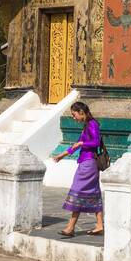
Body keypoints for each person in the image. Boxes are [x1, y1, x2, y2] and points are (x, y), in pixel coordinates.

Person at [52, 101, 104, 237]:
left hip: (89, 163)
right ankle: (99, 225)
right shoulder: (86, 126)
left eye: (74, 115)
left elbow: (96, 142)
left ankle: (70, 227)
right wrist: (62, 155)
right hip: (86, 162)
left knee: (78, 191)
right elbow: (76, 145)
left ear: (81, 112)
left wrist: (82, 143)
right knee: (93, 192)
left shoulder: (92, 124)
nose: (74, 118)